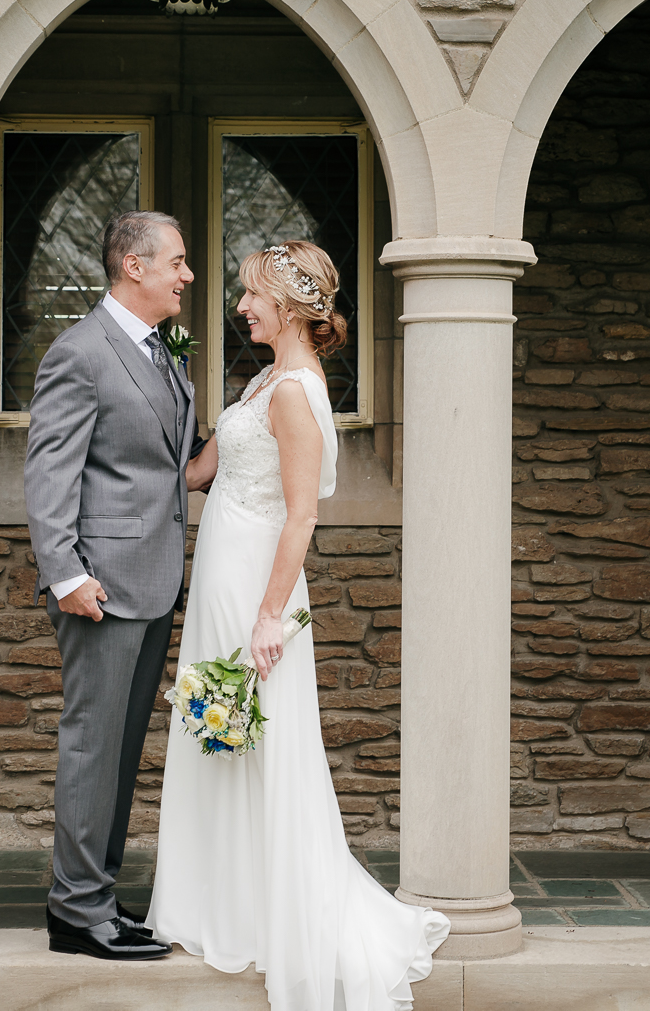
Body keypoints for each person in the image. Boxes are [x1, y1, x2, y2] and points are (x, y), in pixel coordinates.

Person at [148, 240, 449, 1010]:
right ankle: (223, 900)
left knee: (264, 744)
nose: (241, 306)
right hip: (221, 578)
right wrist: (156, 387)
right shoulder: (264, 383)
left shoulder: (294, 393)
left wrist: (270, 617)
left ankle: (271, 911)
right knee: (218, 738)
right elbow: (195, 473)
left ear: (286, 307)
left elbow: (303, 514)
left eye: (251, 295)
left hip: (257, 589)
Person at [24, 209, 197, 961]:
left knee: (123, 749)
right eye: (179, 262)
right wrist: (65, 574)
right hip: (101, 586)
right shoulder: (80, 352)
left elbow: (162, 465)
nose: (188, 275)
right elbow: (49, 473)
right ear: (136, 266)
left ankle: (97, 893)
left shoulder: (161, 351)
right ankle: (74, 911)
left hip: (154, 578)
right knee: (94, 745)